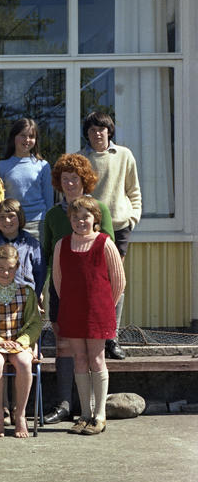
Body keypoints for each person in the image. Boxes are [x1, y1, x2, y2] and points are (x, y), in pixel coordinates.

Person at [42, 154, 115, 424]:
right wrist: (44, 291)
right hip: (62, 291)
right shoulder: (52, 215)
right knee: (65, 349)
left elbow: (109, 257)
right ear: (58, 182)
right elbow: (48, 255)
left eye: (75, 178)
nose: (70, 183)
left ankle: (96, 411)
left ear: (84, 180)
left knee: (94, 356)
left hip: (95, 297)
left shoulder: (99, 209)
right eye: (65, 179)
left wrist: (107, 301)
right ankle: (65, 404)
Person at [53, 197, 125, 436]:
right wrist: (72, 304)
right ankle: (84, 414)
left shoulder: (105, 243)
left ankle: (100, 415)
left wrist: (104, 307)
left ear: (95, 219)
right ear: (70, 220)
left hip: (98, 312)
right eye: (75, 217)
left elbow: (119, 281)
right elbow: (58, 281)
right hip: (72, 311)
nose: (80, 221)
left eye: (86, 216)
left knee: (97, 359)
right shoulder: (62, 245)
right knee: (80, 359)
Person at [79, 111, 142, 360]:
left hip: (118, 226)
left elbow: (134, 191)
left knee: (114, 282)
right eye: (92, 130)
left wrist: (132, 218)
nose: (97, 134)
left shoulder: (124, 155)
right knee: (91, 282)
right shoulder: (81, 158)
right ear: (87, 134)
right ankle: (91, 334)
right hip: (91, 229)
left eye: (101, 129)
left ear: (109, 131)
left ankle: (111, 337)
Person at [0, 244, 42, 438]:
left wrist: (22, 342)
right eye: (1, 268)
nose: (5, 273)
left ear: (17, 267)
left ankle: (20, 414)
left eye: (11, 268)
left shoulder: (27, 292)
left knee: (24, 363)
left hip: (19, 342)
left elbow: (35, 324)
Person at [0, 118, 53, 240]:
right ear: (14, 137)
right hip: (11, 223)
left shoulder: (43, 166)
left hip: (38, 224)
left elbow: (49, 199)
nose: (27, 140)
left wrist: (49, 223)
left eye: (31, 136)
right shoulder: (0, 167)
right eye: (23, 135)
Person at [0, 199, 46, 299]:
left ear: (20, 217)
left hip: (24, 298)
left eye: (11, 216)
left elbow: (40, 275)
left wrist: (35, 298)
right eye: (1, 217)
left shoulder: (33, 245)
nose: (7, 220)